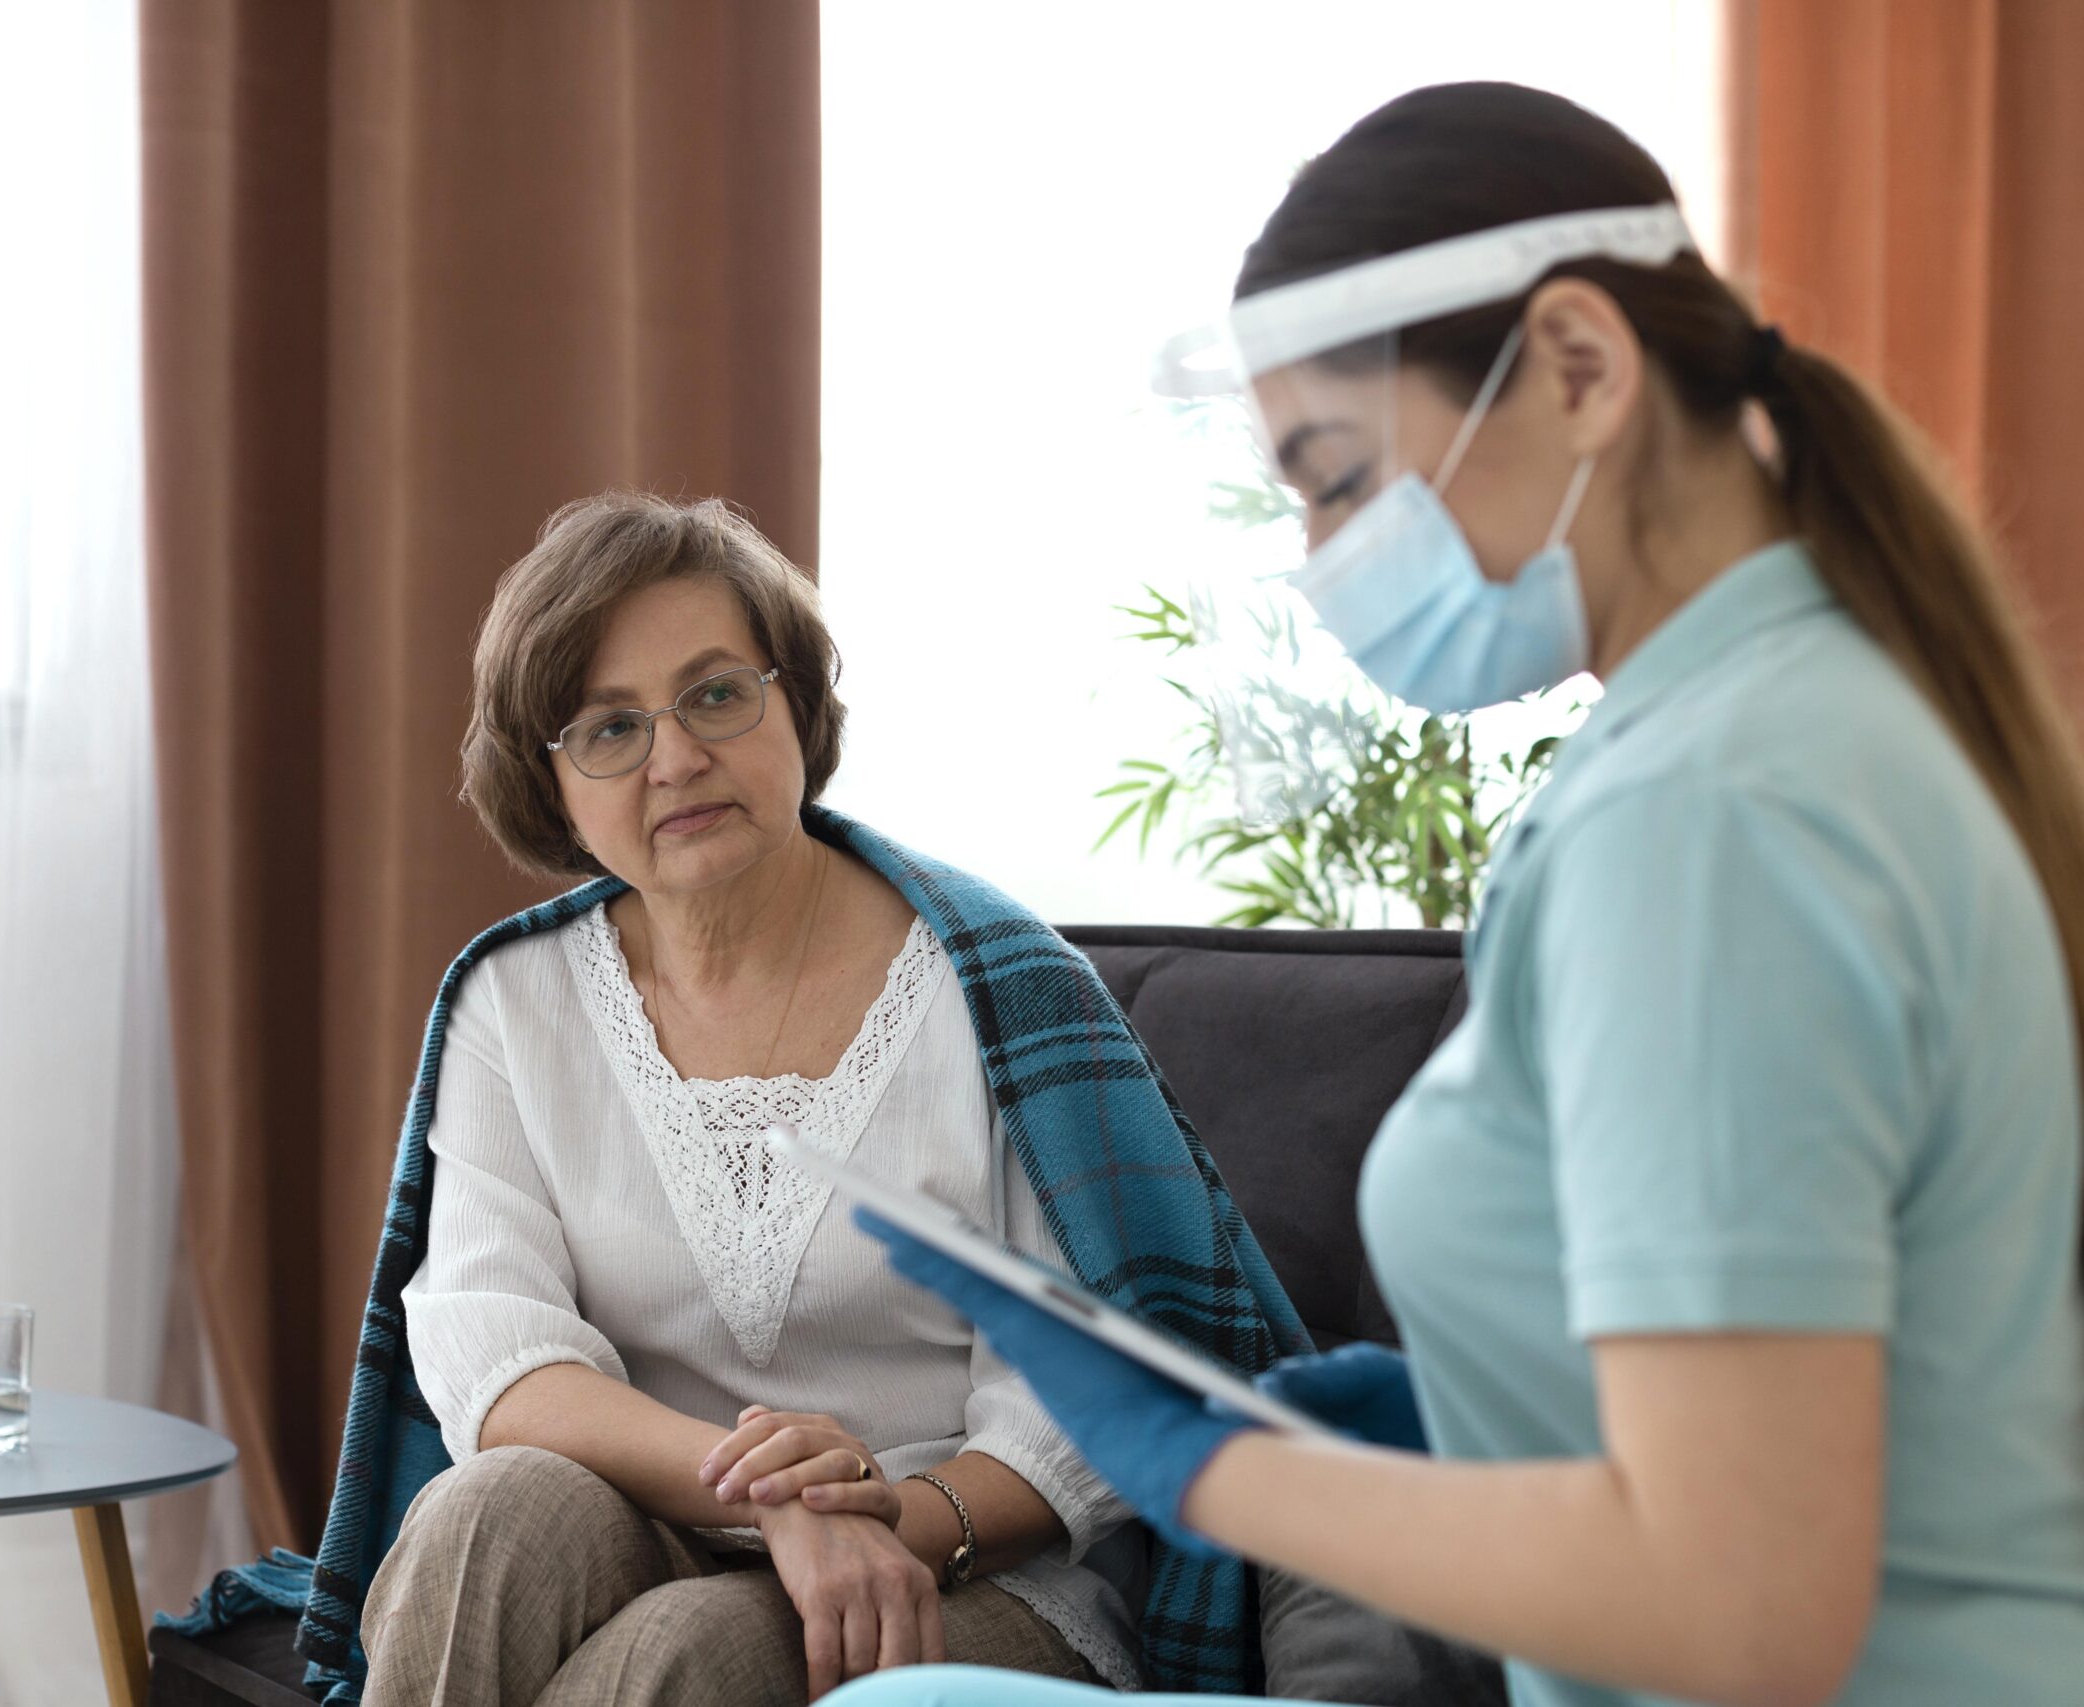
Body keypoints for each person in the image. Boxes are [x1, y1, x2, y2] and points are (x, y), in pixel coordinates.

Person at [837, 81, 2084, 1707]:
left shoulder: (1710, 818)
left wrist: (1219, 1475)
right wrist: (1481, 1428)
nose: (1321, 556)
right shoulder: (1801, 725)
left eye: (1339, 479)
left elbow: (1747, 1614)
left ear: (1579, 365)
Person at [162, 490, 1313, 1706]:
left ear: (795, 706)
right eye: (609, 728)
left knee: (684, 1662)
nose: (676, 757)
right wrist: (767, 1493)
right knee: (478, 1518)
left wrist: (887, 1525)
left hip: (973, 1559)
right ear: (550, 784)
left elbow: (1082, 1398)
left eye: (716, 694)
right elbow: (495, 1353)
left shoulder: (998, 992)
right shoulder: (513, 1002)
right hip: (668, 1504)